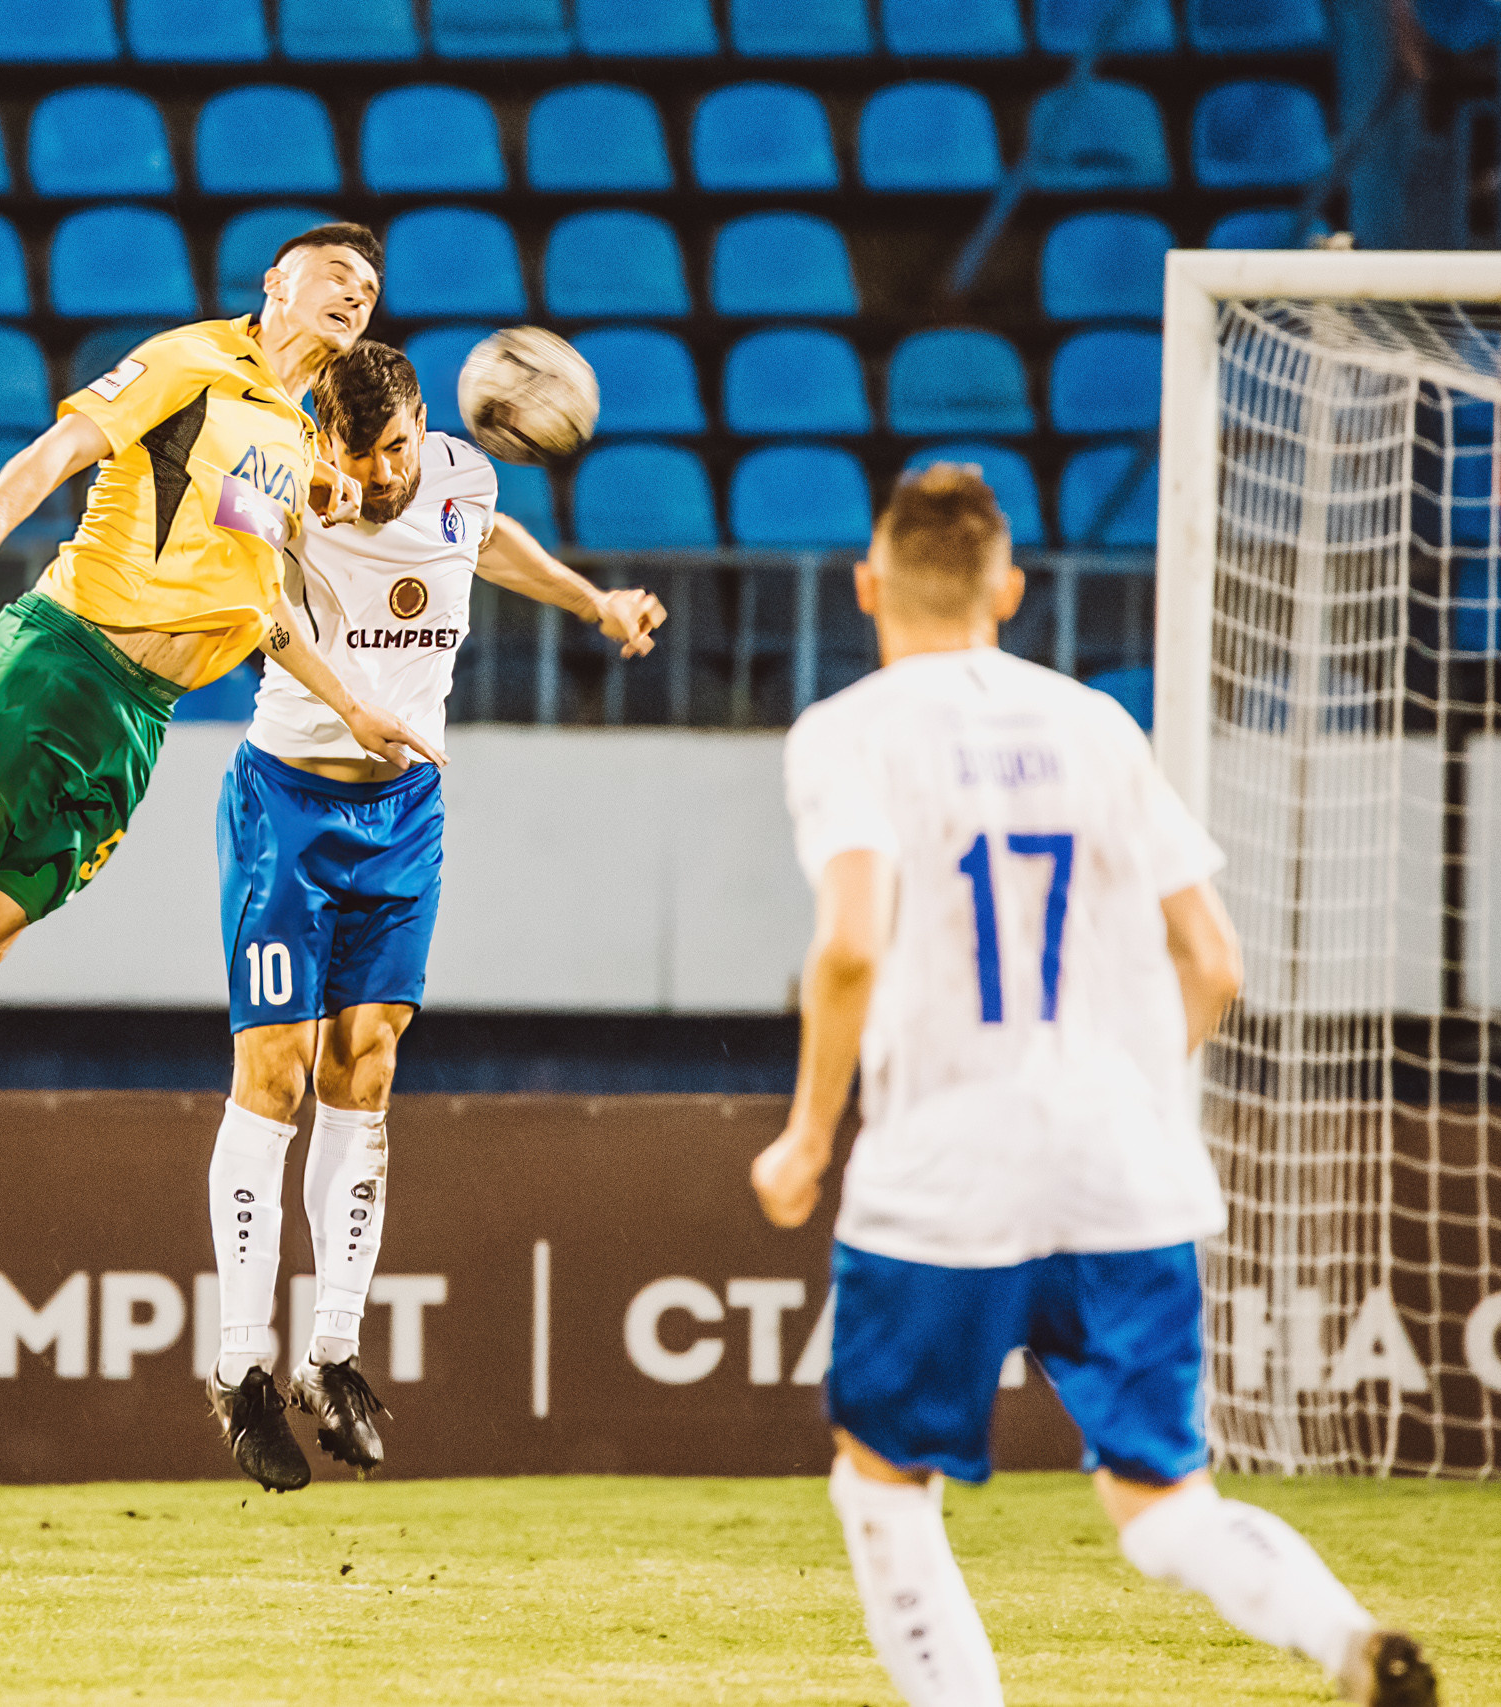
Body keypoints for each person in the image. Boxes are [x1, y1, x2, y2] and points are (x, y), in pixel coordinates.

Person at [749, 466, 1436, 1706]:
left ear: (868, 585)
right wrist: (1114, 1090)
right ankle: (1344, 1641)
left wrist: (806, 1136)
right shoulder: (1094, 724)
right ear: (1007, 587)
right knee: (1165, 1507)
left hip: (941, 1172)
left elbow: (850, 943)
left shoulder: (847, 731)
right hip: (1126, 1163)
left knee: (882, 1485)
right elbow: (1215, 963)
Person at [0, 224, 443, 1279]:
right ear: (275, 286)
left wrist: (350, 705)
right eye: (334, 276)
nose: (354, 296)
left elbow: (251, 599)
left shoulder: (290, 439)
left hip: (135, 720)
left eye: (369, 288)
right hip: (63, 662)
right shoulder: (191, 363)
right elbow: (60, 450)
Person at [203, 341, 662, 1490]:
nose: (381, 473)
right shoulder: (272, 485)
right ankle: (237, 1370)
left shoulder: (461, 475)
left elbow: (483, 540)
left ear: (419, 425)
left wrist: (592, 599)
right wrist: (351, 704)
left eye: (397, 447)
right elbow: (240, 606)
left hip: (405, 809)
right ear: (325, 437)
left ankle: (331, 1354)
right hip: (288, 802)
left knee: (367, 1067)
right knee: (275, 1075)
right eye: (360, 457)